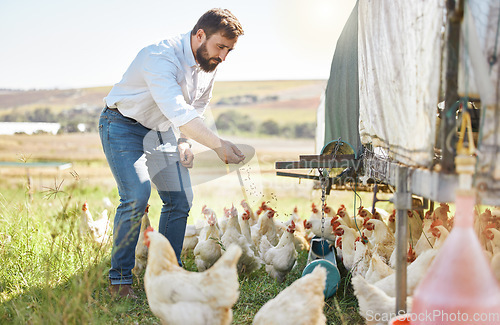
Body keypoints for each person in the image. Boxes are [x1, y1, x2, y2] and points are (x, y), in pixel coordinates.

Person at [98, 8, 245, 298]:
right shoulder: (159, 57)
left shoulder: (208, 66)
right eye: (220, 47)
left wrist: (184, 142)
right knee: (136, 197)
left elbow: (197, 108)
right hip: (123, 125)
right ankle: (120, 281)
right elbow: (180, 111)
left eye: (230, 50)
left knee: (180, 198)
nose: (224, 56)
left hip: (162, 131)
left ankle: (167, 274)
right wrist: (217, 145)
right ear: (199, 35)